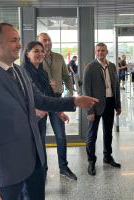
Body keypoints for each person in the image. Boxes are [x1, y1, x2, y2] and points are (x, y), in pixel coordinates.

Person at [0, 22, 97, 200]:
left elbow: (40, 100)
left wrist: (73, 101)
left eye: (18, 40)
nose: (19, 44)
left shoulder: (19, 71)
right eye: (13, 41)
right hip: (6, 170)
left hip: (34, 162)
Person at [21, 41, 72, 182]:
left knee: (58, 137)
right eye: (36, 51)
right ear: (27, 53)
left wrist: (59, 111)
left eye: (41, 51)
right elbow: (20, 97)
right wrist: (35, 109)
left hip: (46, 110)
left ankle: (57, 169)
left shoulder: (42, 71)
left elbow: (48, 94)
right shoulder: (23, 71)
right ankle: (40, 173)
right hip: (32, 117)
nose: (40, 54)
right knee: (37, 144)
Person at [38, 32, 77, 180]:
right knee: (40, 137)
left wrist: (70, 93)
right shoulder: (35, 59)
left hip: (57, 99)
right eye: (43, 41)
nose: (46, 43)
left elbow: (67, 76)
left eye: (48, 40)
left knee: (61, 136)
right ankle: (43, 169)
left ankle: (63, 167)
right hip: (40, 101)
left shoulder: (59, 58)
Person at [83, 42, 122, 176]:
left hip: (110, 103)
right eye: (98, 50)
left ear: (107, 52)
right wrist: (89, 111)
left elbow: (116, 86)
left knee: (108, 132)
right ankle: (91, 161)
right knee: (91, 135)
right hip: (95, 104)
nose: (100, 53)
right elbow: (86, 90)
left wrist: (118, 104)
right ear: (95, 52)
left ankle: (107, 157)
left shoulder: (112, 66)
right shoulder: (90, 67)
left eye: (103, 50)